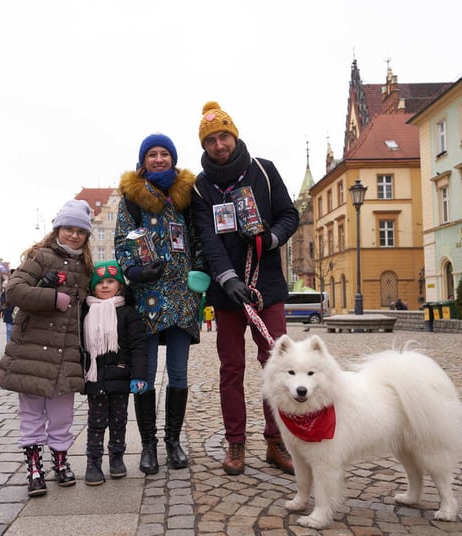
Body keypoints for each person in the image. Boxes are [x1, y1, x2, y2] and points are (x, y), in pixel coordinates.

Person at [191, 101, 300, 476]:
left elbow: (289, 215)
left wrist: (271, 238)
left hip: (266, 286)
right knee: (231, 369)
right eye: (210, 141)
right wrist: (228, 279)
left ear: (234, 136)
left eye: (223, 136)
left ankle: (276, 439)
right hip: (227, 293)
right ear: (204, 146)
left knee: (277, 364)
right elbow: (208, 240)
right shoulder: (202, 187)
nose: (218, 145)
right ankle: (235, 441)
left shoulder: (263, 171)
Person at [114, 133, 204, 474]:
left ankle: (173, 442)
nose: (158, 159)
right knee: (146, 372)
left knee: (178, 371)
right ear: (143, 161)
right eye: (152, 154)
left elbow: (198, 238)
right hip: (147, 295)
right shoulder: (132, 198)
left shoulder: (186, 196)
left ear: (173, 159)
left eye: (164, 153)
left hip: (182, 295)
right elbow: (122, 241)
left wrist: (200, 271)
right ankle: (148, 445)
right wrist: (133, 270)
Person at [0, 199, 93, 497]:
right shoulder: (40, 256)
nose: (74, 235)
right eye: (68, 229)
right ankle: (34, 467)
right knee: (32, 413)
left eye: (80, 231)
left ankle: (60, 461)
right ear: (57, 229)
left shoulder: (86, 267)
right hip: (33, 350)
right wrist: (52, 298)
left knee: (63, 415)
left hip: (66, 352)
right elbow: (14, 290)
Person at [82, 260, 148, 485]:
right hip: (95, 378)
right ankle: (93, 462)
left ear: (120, 285)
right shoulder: (86, 312)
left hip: (120, 377)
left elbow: (139, 346)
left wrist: (139, 375)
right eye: (100, 282)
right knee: (96, 422)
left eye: (110, 281)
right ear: (92, 287)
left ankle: (117, 458)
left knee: (119, 420)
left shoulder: (128, 313)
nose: (105, 286)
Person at [2, 272, 16, 341]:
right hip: (9, 312)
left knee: (13, 332)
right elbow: (3, 300)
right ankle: (9, 345)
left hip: (17, 313)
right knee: (9, 330)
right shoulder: (6, 289)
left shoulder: (20, 287)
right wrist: (4, 305)